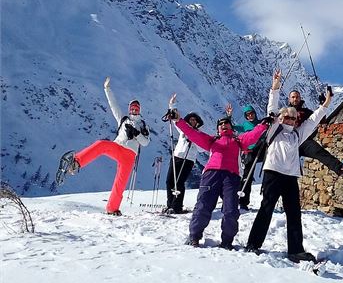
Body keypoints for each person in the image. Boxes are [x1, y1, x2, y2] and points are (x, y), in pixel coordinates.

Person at [245, 69, 332, 263]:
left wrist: (326, 104)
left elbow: (312, 121)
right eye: (286, 117)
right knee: (266, 209)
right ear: (281, 118)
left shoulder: (297, 134)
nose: (290, 120)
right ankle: (253, 244)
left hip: (291, 177)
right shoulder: (274, 129)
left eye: (293, 118)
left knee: (294, 213)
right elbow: (272, 108)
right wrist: (275, 87)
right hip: (273, 173)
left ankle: (296, 250)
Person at [167, 102, 268, 249]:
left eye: (227, 123)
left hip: (231, 177)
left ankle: (227, 241)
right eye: (221, 124)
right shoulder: (212, 140)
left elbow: (253, 135)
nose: (224, 126)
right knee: (203, 206)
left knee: (231, 210)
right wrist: (178, 120)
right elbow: (192, 133)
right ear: (217, 129)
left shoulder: (239, 141)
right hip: (211, 174)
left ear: (232, 128)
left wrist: (264, 125)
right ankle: (194, 236)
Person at [56, 77, 150, 216]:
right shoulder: (123, 120)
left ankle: (112, 208)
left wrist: (136, 134)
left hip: (130, 155)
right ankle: (76, 162)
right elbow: (113, 106)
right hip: (118, 147)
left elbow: (146, 142)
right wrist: (107, 89)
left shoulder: (143, 125)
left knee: (120, 183)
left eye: (136, 108)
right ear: (129, 109)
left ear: (139, 110)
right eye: (132, 108)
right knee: (101, 144)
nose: (134, 110)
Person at [163, 94, 206, 214]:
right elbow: (175, 118)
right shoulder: (184, 130)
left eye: (194, 120)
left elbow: (202, 149)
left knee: (179, 182)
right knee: (169, 181)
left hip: (188, 160)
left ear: (197, 122)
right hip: (177, 156)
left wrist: (194, 140)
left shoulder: (199, 134)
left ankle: (177, 207)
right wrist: (172, 105)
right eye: (190, 119)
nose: (192, 121)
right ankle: (170, 204)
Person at [288, 89, 343, 176]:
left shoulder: (306, 112)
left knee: (319, 151)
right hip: (289, 141)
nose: (295, 99)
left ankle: (340, 168)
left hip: (305, 141)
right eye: (293, 97)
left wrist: (323, 104)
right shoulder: (285, 112)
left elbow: (321, 120)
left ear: (300, 98)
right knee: (290, 167)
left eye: (297, 97)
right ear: (289, 99)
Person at [225, 103, 262, 210]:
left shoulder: (260, 124)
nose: (250, 116)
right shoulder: (245, 126)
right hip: (249, 152)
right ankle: (243, 202)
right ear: (246, 116)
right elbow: (231, 127)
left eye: (251, 113)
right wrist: (229, 116)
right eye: (248, 114)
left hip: (260, 150)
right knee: (247, 176)